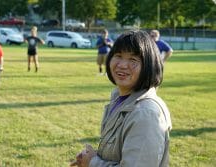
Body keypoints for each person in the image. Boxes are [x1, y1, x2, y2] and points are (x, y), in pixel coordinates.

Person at [70, 30, 172, 167]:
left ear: (148, 66)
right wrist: (89, 158)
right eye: (118, 55)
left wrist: (93, 163)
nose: (122, 65)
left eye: (133, 59)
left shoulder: (145, 114)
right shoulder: (120, 98)